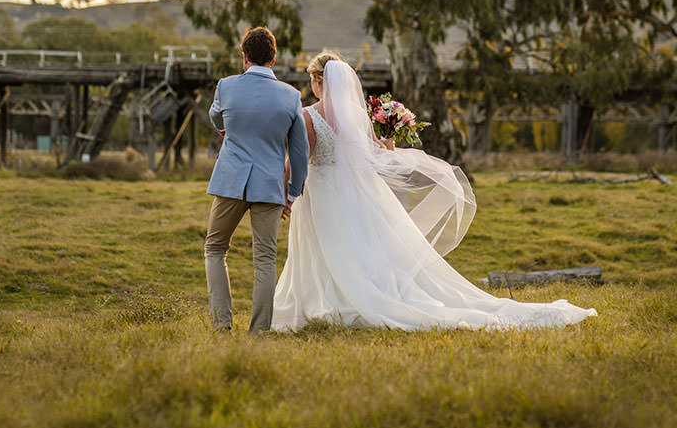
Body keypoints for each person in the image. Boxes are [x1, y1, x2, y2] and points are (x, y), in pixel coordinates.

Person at [272, 54, 597, 332]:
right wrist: (390, 143)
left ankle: (333, 300)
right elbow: (376, 155)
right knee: (360, 246)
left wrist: (287, 193)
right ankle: (358, 295)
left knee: (327, 247)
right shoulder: (358, 117)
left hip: (324, 193)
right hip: (358, 191)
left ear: (317, 81)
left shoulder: (309, 116)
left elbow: (298, 159)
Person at [205, 26, 309, 333]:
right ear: (274, 58)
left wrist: (226, 130)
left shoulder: (225, 86)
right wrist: (292, 192)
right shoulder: (292, 97)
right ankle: (259, 331)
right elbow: (299, 152)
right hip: (270, 186)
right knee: (265, 259)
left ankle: (221, 326)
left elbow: (214, 116)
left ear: (244, 56)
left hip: (230, 181)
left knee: (215, 249)